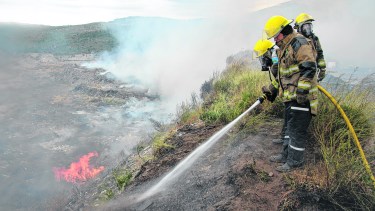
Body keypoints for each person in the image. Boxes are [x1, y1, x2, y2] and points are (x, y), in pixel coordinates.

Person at [262, 15, 318, 172]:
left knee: (296, 131)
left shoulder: (298, 43)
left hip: (302, 99)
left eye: (275, 36)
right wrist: (272, 90)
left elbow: (309, 67)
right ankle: (285, 156)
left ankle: (295, 162)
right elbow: (283, 75)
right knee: (288, 128)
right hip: (290, 98)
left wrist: (302, 92)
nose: (274, 40)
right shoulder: (284, 48)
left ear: (282, 32)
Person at [253, 40, 288, 145]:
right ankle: (284, 138)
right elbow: (278, 81)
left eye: (262, 57)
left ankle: (285, 140)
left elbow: (281, 80)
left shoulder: (276, 64)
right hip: (291, 93)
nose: (262, 61)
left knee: (289, 115)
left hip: (294, 94)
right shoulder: (276, 61)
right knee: (288, 115)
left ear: (267, 54)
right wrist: (269, 92)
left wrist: (270, 90)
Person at [294, 13, 327, 82]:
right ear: (299, 28)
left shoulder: (314, 39)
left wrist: (322, 69)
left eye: (309, 26)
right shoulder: (295, 42)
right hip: (299, 75)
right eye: (305, 27)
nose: (308, 29)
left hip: (313, 73)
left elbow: (320, 53)